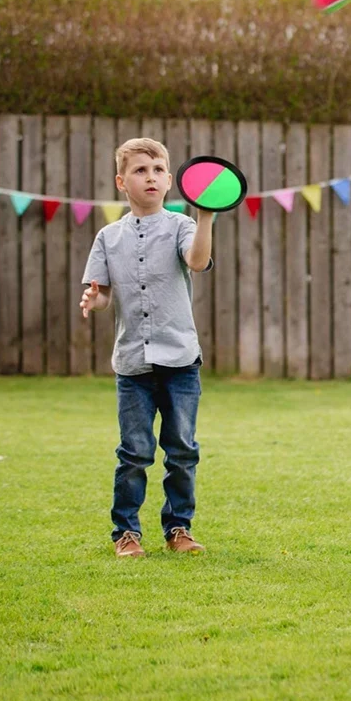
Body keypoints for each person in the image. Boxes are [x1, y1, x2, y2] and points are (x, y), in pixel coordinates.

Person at [80, 138, 214, 558]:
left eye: (157, 170)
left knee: (182, 451)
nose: (150, 177)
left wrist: (206, 217)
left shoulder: (182, 227)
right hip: (132, 364)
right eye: (140, 170)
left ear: (170, 180)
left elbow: (196, 261)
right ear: (122, 181)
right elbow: (101, 294)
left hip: (180, 361)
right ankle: (126, 533)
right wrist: (94, 300)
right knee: (134, 452)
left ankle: (178, 528)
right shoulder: (107, 236)